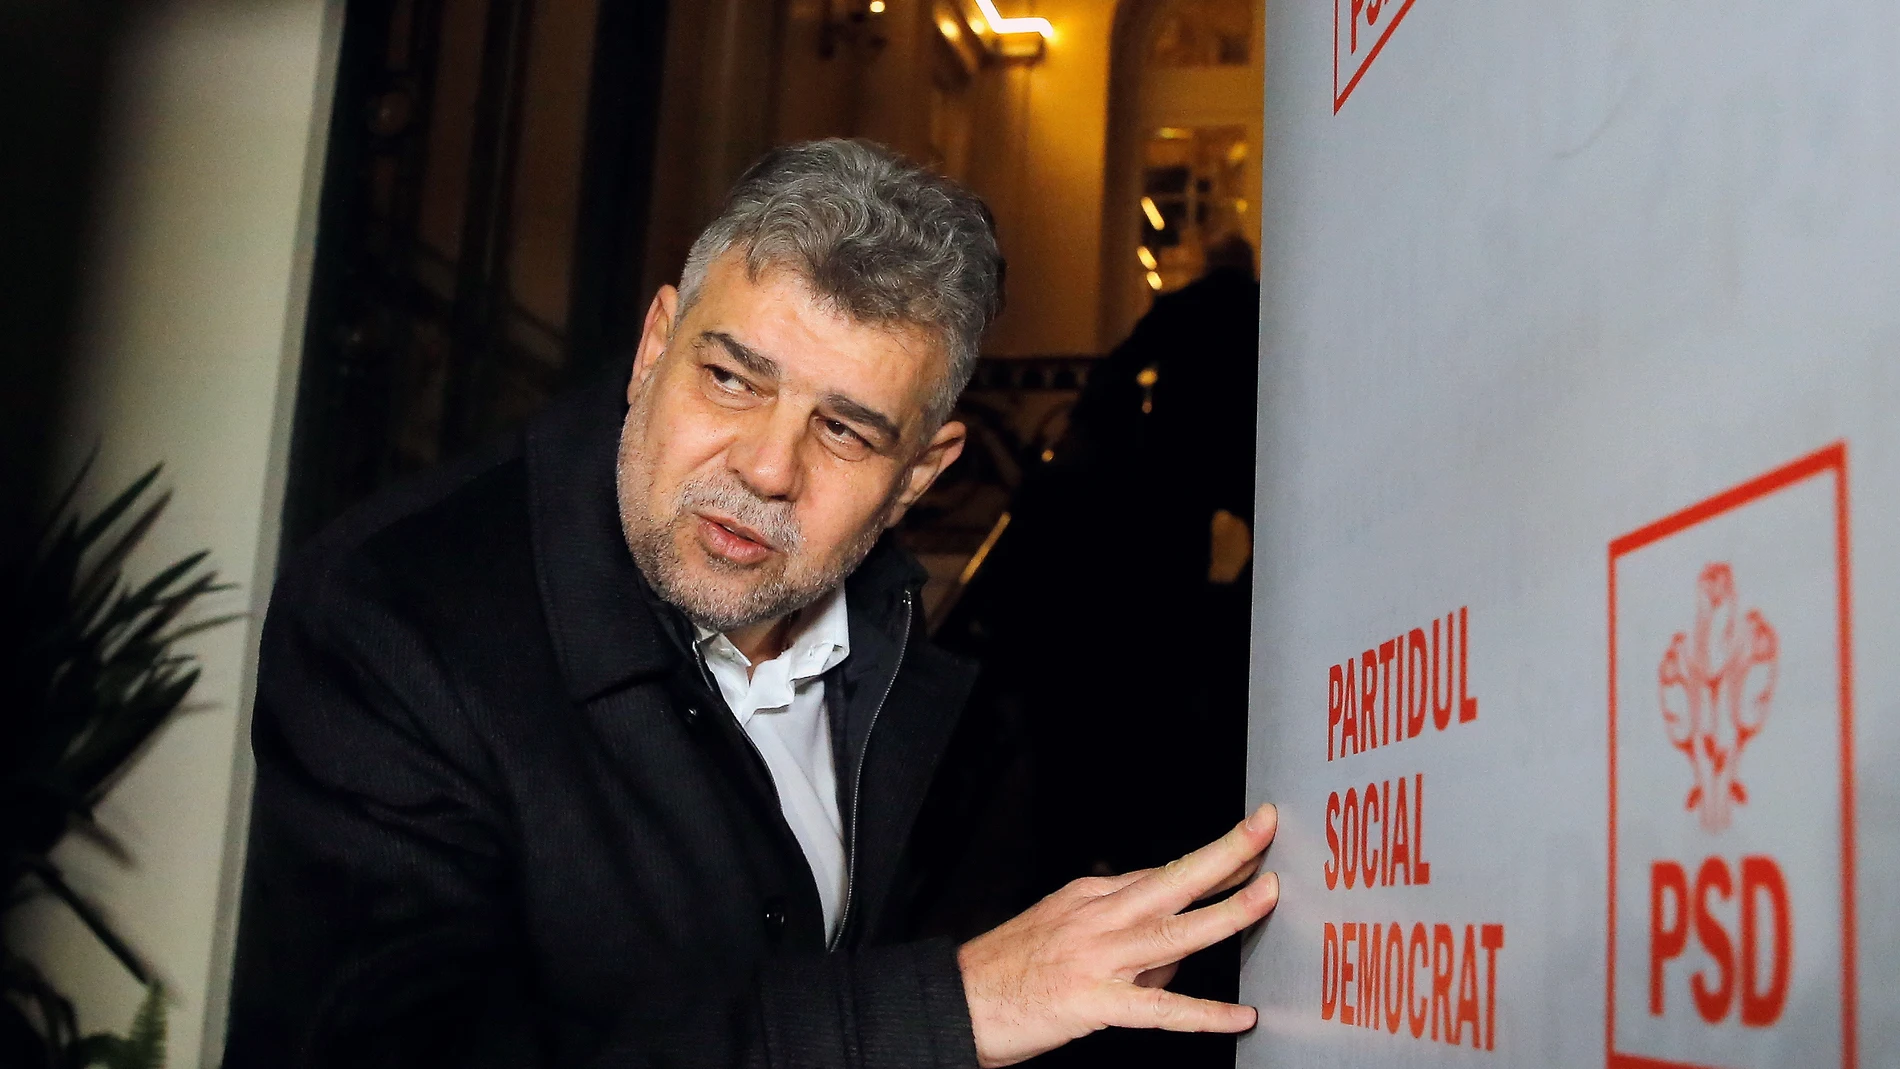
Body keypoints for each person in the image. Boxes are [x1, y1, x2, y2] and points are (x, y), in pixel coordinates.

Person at [224, 139, 1280, 1069]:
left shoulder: (927, 667)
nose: (767, 468)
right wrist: (946, 1009)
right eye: (731, 379)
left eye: (846, 431)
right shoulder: (390, 614)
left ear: (921, 474)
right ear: (654, 344)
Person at [936, 235, 1262, 1067]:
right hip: (1167, 568)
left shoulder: (1168, 345)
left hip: (1083, 652)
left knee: (1068, 805)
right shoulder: (1249, 318)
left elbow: (1122, 365)